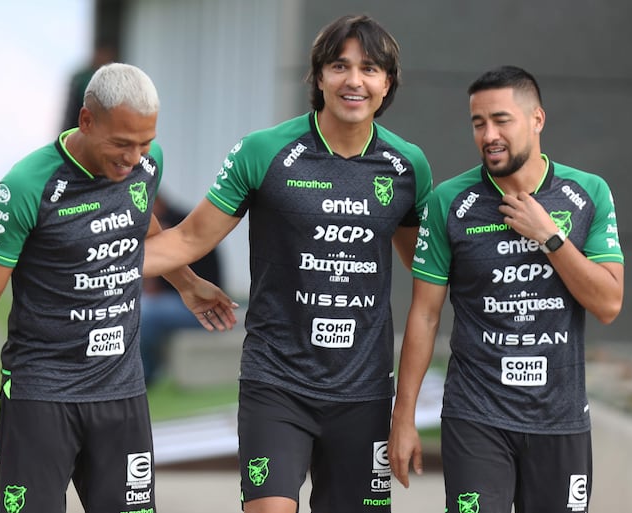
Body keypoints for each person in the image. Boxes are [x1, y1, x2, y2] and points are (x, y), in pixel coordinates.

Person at [143, 14, 433, 513]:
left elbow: (428, 275)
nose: (354, 81)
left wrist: (405, 412)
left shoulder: (408, 167)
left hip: (363, 391)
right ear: (319, 77)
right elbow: (188, 237)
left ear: (387, 84)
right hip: (276, 383)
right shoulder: (264, 152)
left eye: (369, 69)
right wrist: (90, 258)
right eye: (339, 66)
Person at [0, 62, 237, 513]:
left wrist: (185, 282)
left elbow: (137, 221)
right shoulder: (26, 186)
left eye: (145, 142)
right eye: (122, 143)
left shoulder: (147, 164)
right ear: (86, 120)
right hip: (41, 395)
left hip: (122, 392)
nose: (134, 157)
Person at [388, 65, 625, 513]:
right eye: (478, 123)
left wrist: (550, 237)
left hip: (560, 418)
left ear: (536, 120)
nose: (488, 135)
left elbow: (609, 302)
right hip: (475, 415)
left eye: (501, 120)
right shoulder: (449, 202)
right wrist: (404, 415)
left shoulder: (587, 192)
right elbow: (424, 315)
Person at [140, 192, 223, 386]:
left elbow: (154, 282)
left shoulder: (175, 223)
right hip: (179, 298)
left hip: (200, 303)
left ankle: (146, 375)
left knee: (145, 311)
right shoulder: (175, 219)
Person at [61, 43, 117, 131]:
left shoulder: (113, 78)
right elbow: (71, 109)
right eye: (101, 54)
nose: (103, 58)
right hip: (78, 119)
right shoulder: (81, 77)